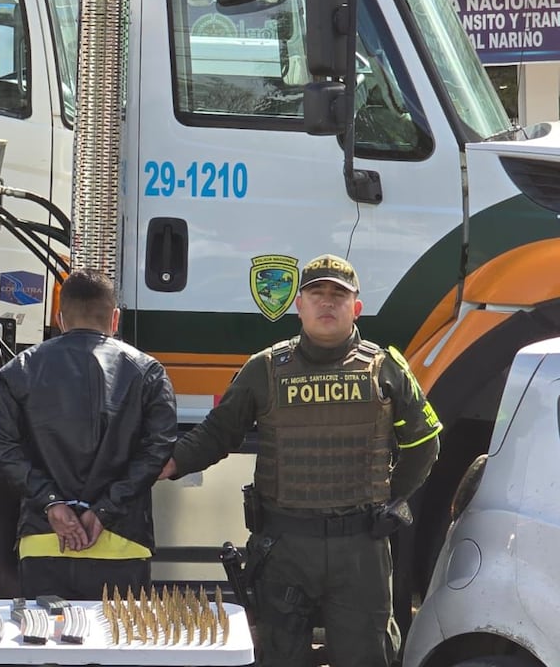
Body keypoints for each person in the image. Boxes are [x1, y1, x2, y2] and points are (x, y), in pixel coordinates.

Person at [159, 254, 442, 667]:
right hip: (284, 549)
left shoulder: (385, 368)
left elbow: (426, 442)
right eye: (317, 293)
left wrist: (392, 498)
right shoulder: (265, 368)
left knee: (367, 657)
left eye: (338, 295)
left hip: (359, 550)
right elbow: (219, 432)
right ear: (299, 305)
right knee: (279, 656)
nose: (327, 303)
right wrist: (172, 461)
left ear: (356, 307)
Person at [0, 268, 177, 599]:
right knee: (116, 646)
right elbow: (157, 450)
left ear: (60, 319)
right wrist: (103, 510)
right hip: (122, 542)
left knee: (46, 645)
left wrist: (52, 504)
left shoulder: (18, 371)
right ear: (115, 318)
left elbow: (5, 448)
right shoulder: (148, 372)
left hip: (45, 539)